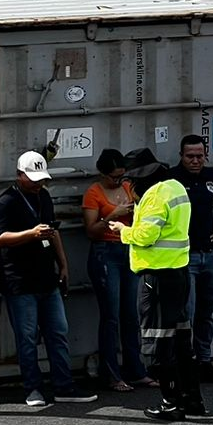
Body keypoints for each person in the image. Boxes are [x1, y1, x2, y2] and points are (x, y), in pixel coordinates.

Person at [0, 151, 97, 407]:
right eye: (33, 179)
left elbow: (52, 231)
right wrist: (31, 234)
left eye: (41, 179)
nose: (38, 184)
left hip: (46, 278)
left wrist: (63, 264)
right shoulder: (7, 201)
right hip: (19, 281)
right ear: (19, 175)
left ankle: (64, 386)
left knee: (58, 332)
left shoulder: (44, 196)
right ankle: (32, 388)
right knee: (27, 337)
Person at [110, 176, 202, 421]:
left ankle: (170, 403)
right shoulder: (176, 186)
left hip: (157, 277)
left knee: (158, 341)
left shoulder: (154, 196)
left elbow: (145, 236)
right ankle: (192, 399)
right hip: (179, 272)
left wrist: (123, 231)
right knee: (182, 341)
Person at [81, 149, 155, 393]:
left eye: (123, 176)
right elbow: (91, 230)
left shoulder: (126, 187)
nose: (119, 180)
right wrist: (114, 214)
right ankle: (112, 374)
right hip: (105, 252)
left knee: (131, 315)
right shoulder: (93, 193)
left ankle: (136, 371)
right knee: (111, 316)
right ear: (102, 174)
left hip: (127, 249)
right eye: (114, 177)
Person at [166, 134, 213, 383]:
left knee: (206, 312)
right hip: (185, 256)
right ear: (181, 156)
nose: (195, 161)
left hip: (210, 254)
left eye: (199, 156)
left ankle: (204, 361)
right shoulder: (171, 180)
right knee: (187, 311)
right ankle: (183, 363)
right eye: (190, 156)